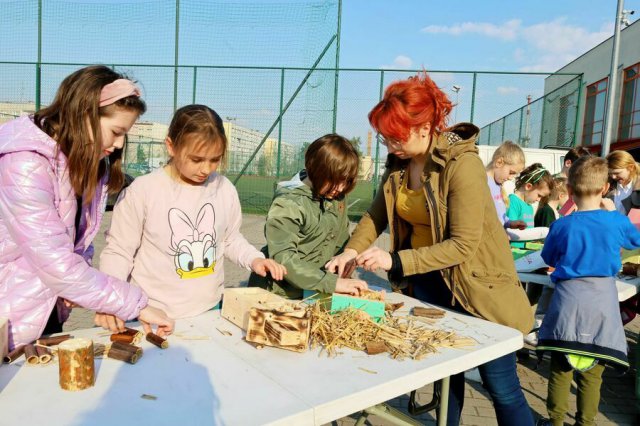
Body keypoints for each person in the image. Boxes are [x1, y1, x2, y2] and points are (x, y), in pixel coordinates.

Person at [326, 73, 534, 425]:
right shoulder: (399, 164)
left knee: (501, 386)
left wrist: (394, 260)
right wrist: (351, 250)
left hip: (477, 290)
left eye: (395, 136)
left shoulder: (461, 165)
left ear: (424, 126)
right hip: (427, 285)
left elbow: (463, 244)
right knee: (443, 377)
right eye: (385, 138)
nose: (389, 146)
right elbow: (376, 216)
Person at [0, 65, 174, 349]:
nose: (119, 145)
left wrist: (88, 293)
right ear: (85, 115)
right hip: (10, 317)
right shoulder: (25, 164)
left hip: (46, 309)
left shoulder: (86, 163)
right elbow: (55, 262)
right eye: (116, 131)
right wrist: (135, 304)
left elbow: (78, 245)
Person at [97, 104, 286, 326]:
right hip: (148, 315)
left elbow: (230, 239)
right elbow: (119, 252)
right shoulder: (143, 191)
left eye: (215, 159)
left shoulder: (224, 189)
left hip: (209, 311)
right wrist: (110, 300)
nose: (206, 169)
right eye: (196, 159)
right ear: (171, 146)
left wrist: (254, 259)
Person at [537, 156, 640, 426]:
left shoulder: (560, 225)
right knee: (593, 373)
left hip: (567, 303)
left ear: (569, 190)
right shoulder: (614, 222)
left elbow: (549, 257)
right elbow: (635, 239)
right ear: (605, 189)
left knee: (560, 368)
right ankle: (586, 422)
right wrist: (613, 213)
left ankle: (555, 420)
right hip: (602, 304)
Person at [248, 134, 368, 298]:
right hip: (279, 293)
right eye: (334, 179)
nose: (340, 188)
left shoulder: (337, 197)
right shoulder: (288, 203)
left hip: (315, 291)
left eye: (346, 181)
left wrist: (349, 259)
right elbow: (284, 258)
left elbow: (340, 241)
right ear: (316, 170)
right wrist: (332, 283)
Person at [506, 163, 553, 248]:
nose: (539, 200)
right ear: (528, 186)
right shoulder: (513, 201)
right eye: (539, 195)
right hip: (513, 253)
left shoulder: (529, 207)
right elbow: (509, 232)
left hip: (525, 254)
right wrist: (542, 232)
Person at [486, 141, 526, 230]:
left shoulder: (497, 185)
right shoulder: (483, 183)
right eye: (511, 172)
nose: (511, 178)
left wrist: (510, 223)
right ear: (499, 162)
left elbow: (499, 216)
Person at [607, 150, 640, 214]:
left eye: (617, 173)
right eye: (610, 173)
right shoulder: (608, 185)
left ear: (631, 167)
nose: (613, 177)